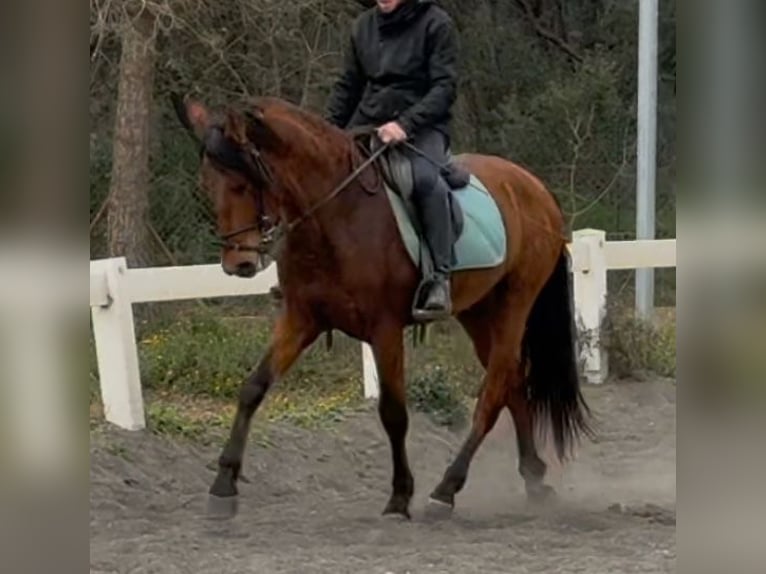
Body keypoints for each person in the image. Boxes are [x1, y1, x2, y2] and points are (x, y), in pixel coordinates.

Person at [325, 0, 459, 320]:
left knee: (426, 182)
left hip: (422, 127)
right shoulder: (363, 26)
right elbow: (349, 85)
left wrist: (406, 124)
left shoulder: (437, 24)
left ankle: (440, 277)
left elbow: (445, 87)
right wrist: (326, 132)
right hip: (368, 121)